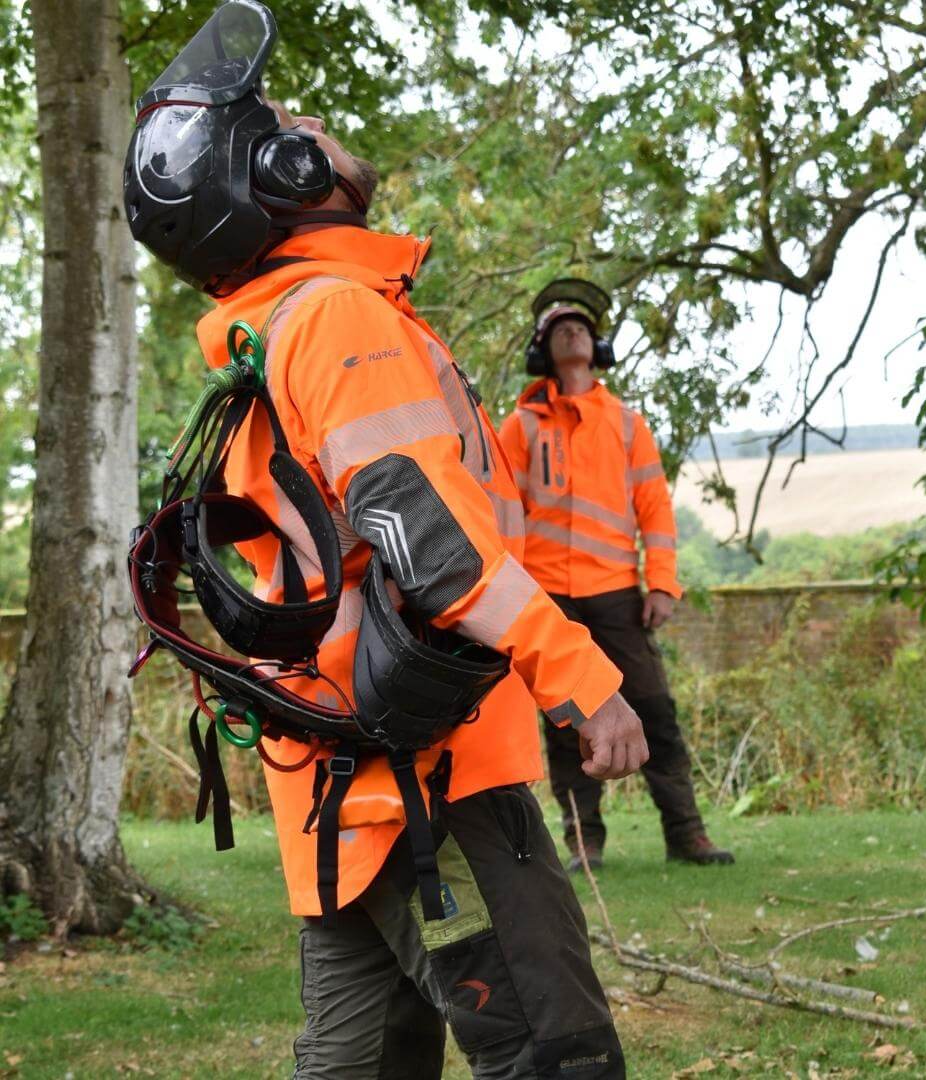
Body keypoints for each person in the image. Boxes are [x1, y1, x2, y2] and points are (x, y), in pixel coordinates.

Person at [124, 5, 647, 1076]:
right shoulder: (338, 319)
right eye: (283, 118)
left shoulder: (279, 332)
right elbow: (432, 542)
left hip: (341, 794)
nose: (308, 117)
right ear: (271, 171)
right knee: (558, 1056)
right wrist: (582, 677)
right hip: (437, 782)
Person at [499, 279, 734, 872]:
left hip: (617, 592)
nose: (571, 332)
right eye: (558, 329)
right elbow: (499, 511)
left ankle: (687, 835)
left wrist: (662, 582)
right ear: (542, 350)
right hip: (548, 596)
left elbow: (654, 509)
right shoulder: (519, 427)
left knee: (654, 710)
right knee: (564, 722)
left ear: (597, 344)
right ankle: (584, 842)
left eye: (579, 326)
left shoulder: (628, 425)